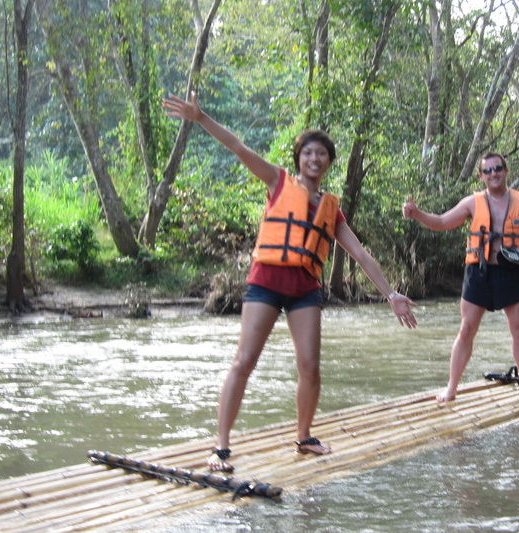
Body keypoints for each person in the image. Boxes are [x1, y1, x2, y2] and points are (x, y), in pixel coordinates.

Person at [163, 91, 417, 472]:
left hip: (304, 290)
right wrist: (200, 118)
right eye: (308, 153)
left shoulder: (332, 210)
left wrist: (392, 294)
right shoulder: (277, 181)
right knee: (244, 361)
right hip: (266, 281)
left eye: (322, 154)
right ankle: (221, 447)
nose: (314, 159)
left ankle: (303, 436)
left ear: (329, 163)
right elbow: (237, 146)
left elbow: (361, 256)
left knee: (310, 366)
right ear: (299, 158)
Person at [402, 153, 519, 403]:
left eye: (498, 169)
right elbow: (441, 222)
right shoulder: (472, 203)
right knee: (466, 329)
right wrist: (417, 214)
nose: (494, 173)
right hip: (479, 273)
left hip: (512, 272)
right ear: (481, 176)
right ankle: (451, 387)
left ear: (506, 171)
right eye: (488, 170)